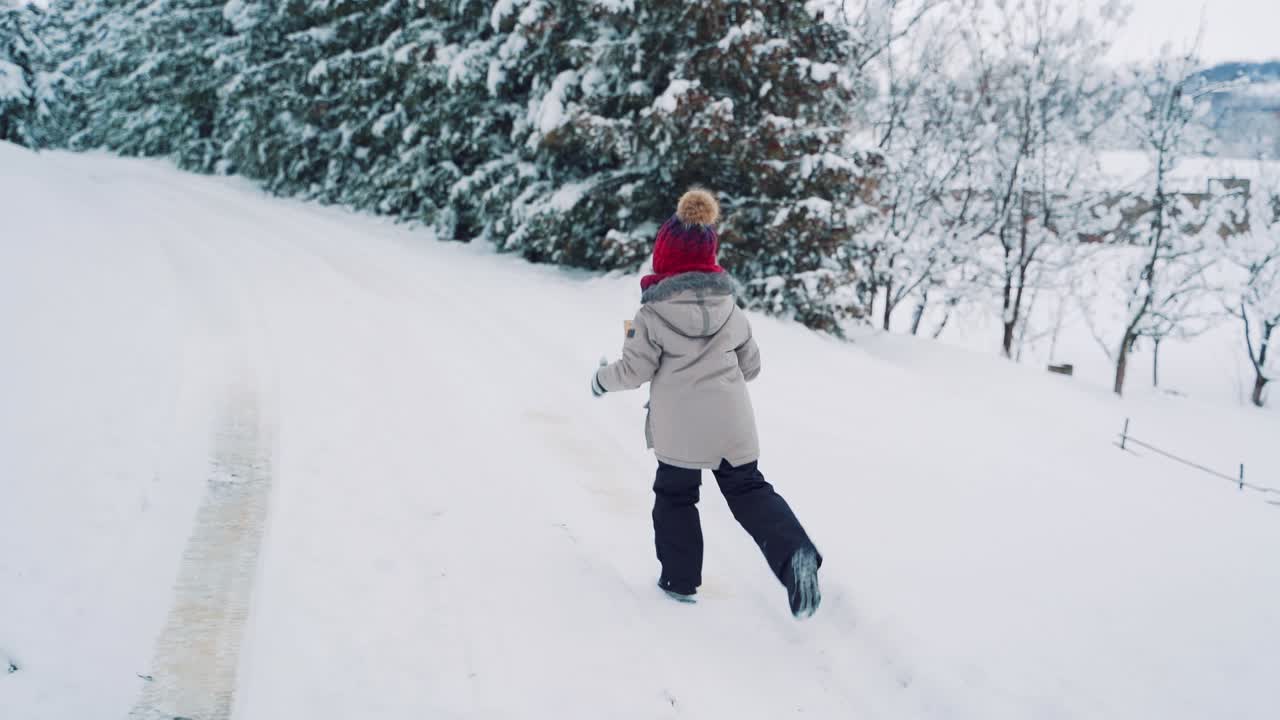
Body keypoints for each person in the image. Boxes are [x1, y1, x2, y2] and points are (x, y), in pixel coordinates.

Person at [591, 188, 822, 619]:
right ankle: (795, 556)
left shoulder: (651, 315)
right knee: (750, 492)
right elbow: (751, 368)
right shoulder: (732, 310)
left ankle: (680, 580)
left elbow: (633, 370)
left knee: (676, 495)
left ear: (664, 259)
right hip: (733, 425)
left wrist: (600, 381)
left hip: (680, 429)